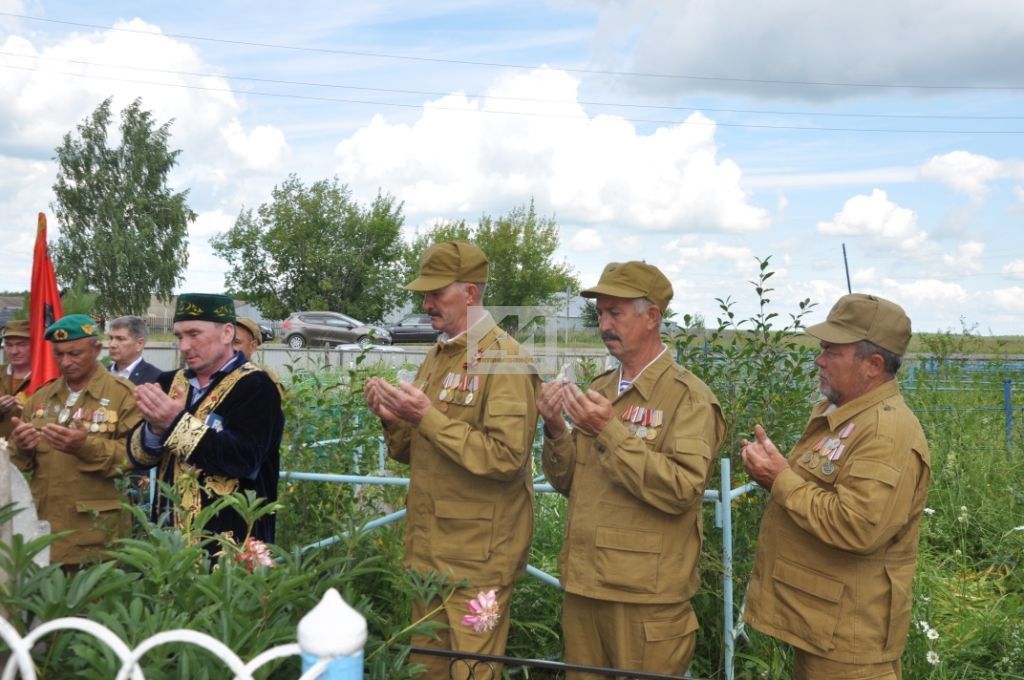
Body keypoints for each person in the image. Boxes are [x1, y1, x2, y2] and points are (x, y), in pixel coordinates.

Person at [537, 261, 725, 679]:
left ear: (652, 317)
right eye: (600, 313)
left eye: (615, 313)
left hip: (645, 600)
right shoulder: (601, 388)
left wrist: (609, 430)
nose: (604, 324)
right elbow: (572, 482)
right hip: (586, 587)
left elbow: (682, 489)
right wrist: (554, 429)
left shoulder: (688, 399)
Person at [363, 241, 540, 679]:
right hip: (430, 555)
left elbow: (506, 458)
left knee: (472, 673)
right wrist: (393, 420)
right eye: (424, 294)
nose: (426, 304)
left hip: (478, 563)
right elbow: (413, 451)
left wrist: (427, 417)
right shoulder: (439, 355)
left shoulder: (505, 360)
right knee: (426, 673)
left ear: (470, 293)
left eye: (436, 293)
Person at [740, 293, 931, 680]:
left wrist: (780, 480)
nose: (819, 359)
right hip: (826, 629)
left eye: (832, 351)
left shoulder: (886, 432)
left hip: (850, 644)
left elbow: (858, 526)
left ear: (872, 365)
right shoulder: (847, 417)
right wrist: (775, 473)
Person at [126, 294, 283, 545]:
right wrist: (154, 429)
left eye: (194, 334)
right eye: (179, 336)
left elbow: (243, 458)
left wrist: (174, 423)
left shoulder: (257, 386)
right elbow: (139, 457)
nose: (184, 346)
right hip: (169, 543)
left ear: (227, 333)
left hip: (230, 545)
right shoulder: (168, 382)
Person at [8, 314, 141, 568]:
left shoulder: (124, 395)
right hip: (44, 532)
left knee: (91, 607)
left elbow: (134, 456)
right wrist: (21, 448)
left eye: (74, 353)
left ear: (97, 349)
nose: (65, 362)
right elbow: (17, 466)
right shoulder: (41, 397)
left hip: (96, 536)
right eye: (58, 354)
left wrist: (85, 446)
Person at [107, 315, 162, 385]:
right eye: (111, 338)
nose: (112, 344)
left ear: (139, 344)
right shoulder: (100, 374)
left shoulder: (156, 378)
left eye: (120, 339)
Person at [1, 319, 32, 440]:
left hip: (27, 453)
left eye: (22, 344)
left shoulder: (46, 379)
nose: (14, 351)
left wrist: (29, 411)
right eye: (9, 345)